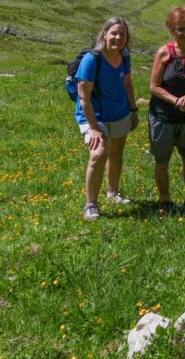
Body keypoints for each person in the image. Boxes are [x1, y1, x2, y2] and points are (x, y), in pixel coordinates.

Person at [75, 17, 138, 221]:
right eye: (114, 33)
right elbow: (84, 97)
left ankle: (113, 192)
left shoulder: (124, 56)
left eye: (122, 34)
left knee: (116, 153)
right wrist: (93, 128)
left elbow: (127, 84)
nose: (118, 37)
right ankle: (90, 204)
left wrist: (133, 109)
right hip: (94, 115)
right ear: (105, 34)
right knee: (99, 153)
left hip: (119, 112)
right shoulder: (93, 59)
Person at [148, 5, 185, 216]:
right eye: (181, 28)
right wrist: (176, 101)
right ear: (172, 29)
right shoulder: (164, 53)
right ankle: (165, 201)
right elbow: (154, 86)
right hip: (163, 116)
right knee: (162, 160)